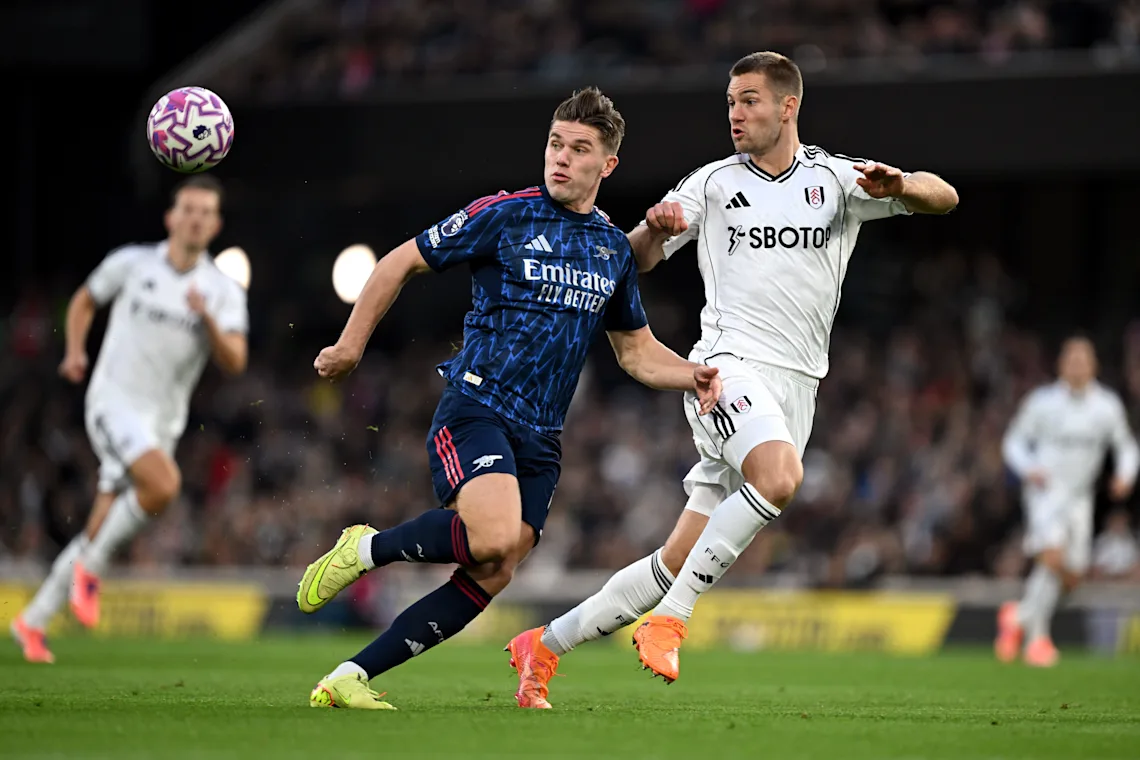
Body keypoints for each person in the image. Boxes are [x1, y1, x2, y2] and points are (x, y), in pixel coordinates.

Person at [505, 51, 959, 704]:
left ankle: (542, 647)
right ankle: (672, 622)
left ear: (787, 107)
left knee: (671, 562)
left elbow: (946, 198)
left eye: (748, 100)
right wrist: (655, 235)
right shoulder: (714, 184)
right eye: (730, 103)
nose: (736, 114)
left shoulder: (836, 181)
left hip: (796, 389)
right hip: (724, 373)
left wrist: (903, 187)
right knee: (778, 478)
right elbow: (633, 259)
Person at [294, 87, 722, 711]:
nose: (561, 159)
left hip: (542, 439)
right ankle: (366, 547)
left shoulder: (610, 250)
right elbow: (396, 263)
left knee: (496, 567)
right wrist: (350, 346)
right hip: (477, 407)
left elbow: (635, 353)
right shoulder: (504, 214)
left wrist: (694, 374)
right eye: (555, 144)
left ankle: (349, 676)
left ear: (607, 166)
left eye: (579, 149)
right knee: (492, 536)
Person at [11, 176, 249, 663]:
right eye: (188, 209)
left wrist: (205, 319)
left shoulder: (222, 291)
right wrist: (75, 351)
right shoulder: (132, 263)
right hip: (112, 401)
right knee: (163, 485)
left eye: (206, 211)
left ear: (217, 224)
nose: (197, 218)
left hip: (162, 420)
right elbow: (83, 300)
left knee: (100, 521)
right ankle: (91, 572)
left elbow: (236, 361)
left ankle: (31, 621)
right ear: (170, 217)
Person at [996, 336, 1138, 666]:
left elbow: (1127, 447)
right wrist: (1029, 468)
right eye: (1071, 359)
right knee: (1053, 556)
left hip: (1080, 498)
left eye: (1083, 360)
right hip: (1046, 493)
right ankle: (1038, 640)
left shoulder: (1107, 406)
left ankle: (1017, 617)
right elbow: (1013, 441)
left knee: (1072, 576)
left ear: (1094, 366)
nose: (1076, 365)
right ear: (1061, 364)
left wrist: (1125, 476)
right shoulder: (1042, 402)